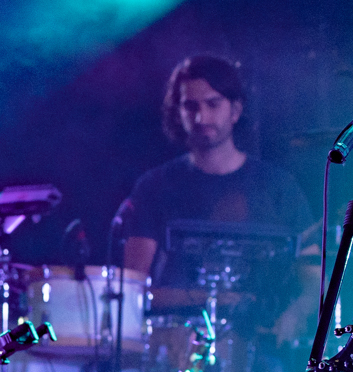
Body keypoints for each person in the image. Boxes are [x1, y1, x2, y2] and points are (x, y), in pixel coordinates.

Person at [121, 54, 320, 347]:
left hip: (262, 348)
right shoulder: (155, 187)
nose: (201, 117)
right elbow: (132, 286)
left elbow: (313, 274)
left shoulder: (278, 187)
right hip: (176, 349)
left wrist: (297, 313)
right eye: (190, 106)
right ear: (178, 112)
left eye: (212, 104)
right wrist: (215, 299)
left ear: (235, 110)